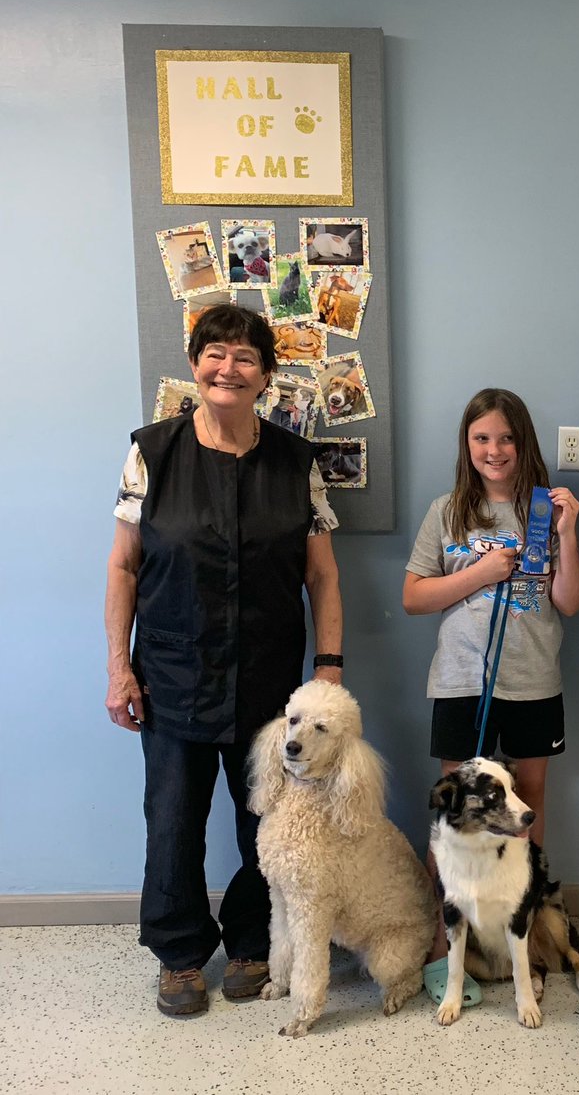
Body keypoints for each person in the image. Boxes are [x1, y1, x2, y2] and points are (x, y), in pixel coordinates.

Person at [104, 304, 344, 1017]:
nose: (228, 368)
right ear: (194, 363)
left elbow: (322, 574)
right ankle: (179, 954)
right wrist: (118, 667)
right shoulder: (151, 453)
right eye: (215, 353)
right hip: (170, 674)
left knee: (263, 817)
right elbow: (122, 567)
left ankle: (250, 941)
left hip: (269, 676)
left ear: (266, 375)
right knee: (174, 819)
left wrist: (328, 668)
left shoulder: (297, 463)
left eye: (245, 357)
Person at [403, 388, 579, 1005]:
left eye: (506, 438)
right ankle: (443, 944)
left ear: (523, 443)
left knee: (526, 805)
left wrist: (569, 534)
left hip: (533, 682)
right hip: (461, 683)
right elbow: (413, 597)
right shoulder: (448, 511)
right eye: (482, 438)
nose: (495, 450)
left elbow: (570, 601)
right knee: (455, 812)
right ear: (467, 445)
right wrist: (481, 573)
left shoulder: (545, 510)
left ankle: (523, 939)